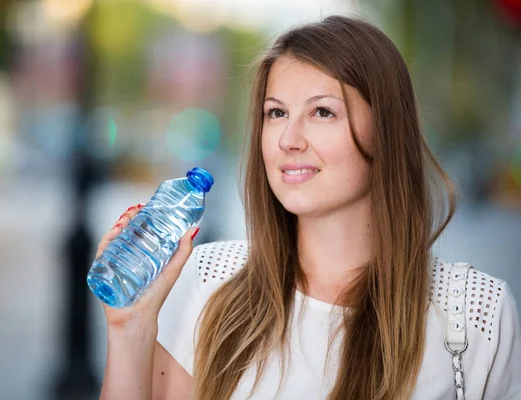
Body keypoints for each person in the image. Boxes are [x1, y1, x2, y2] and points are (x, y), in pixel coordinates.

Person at [97, 16, 521, 400]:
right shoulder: (205, 283)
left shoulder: (478, 313)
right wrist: (129, 328)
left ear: (387, 130)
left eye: (322, 111)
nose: (288, 139)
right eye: (276, 112)